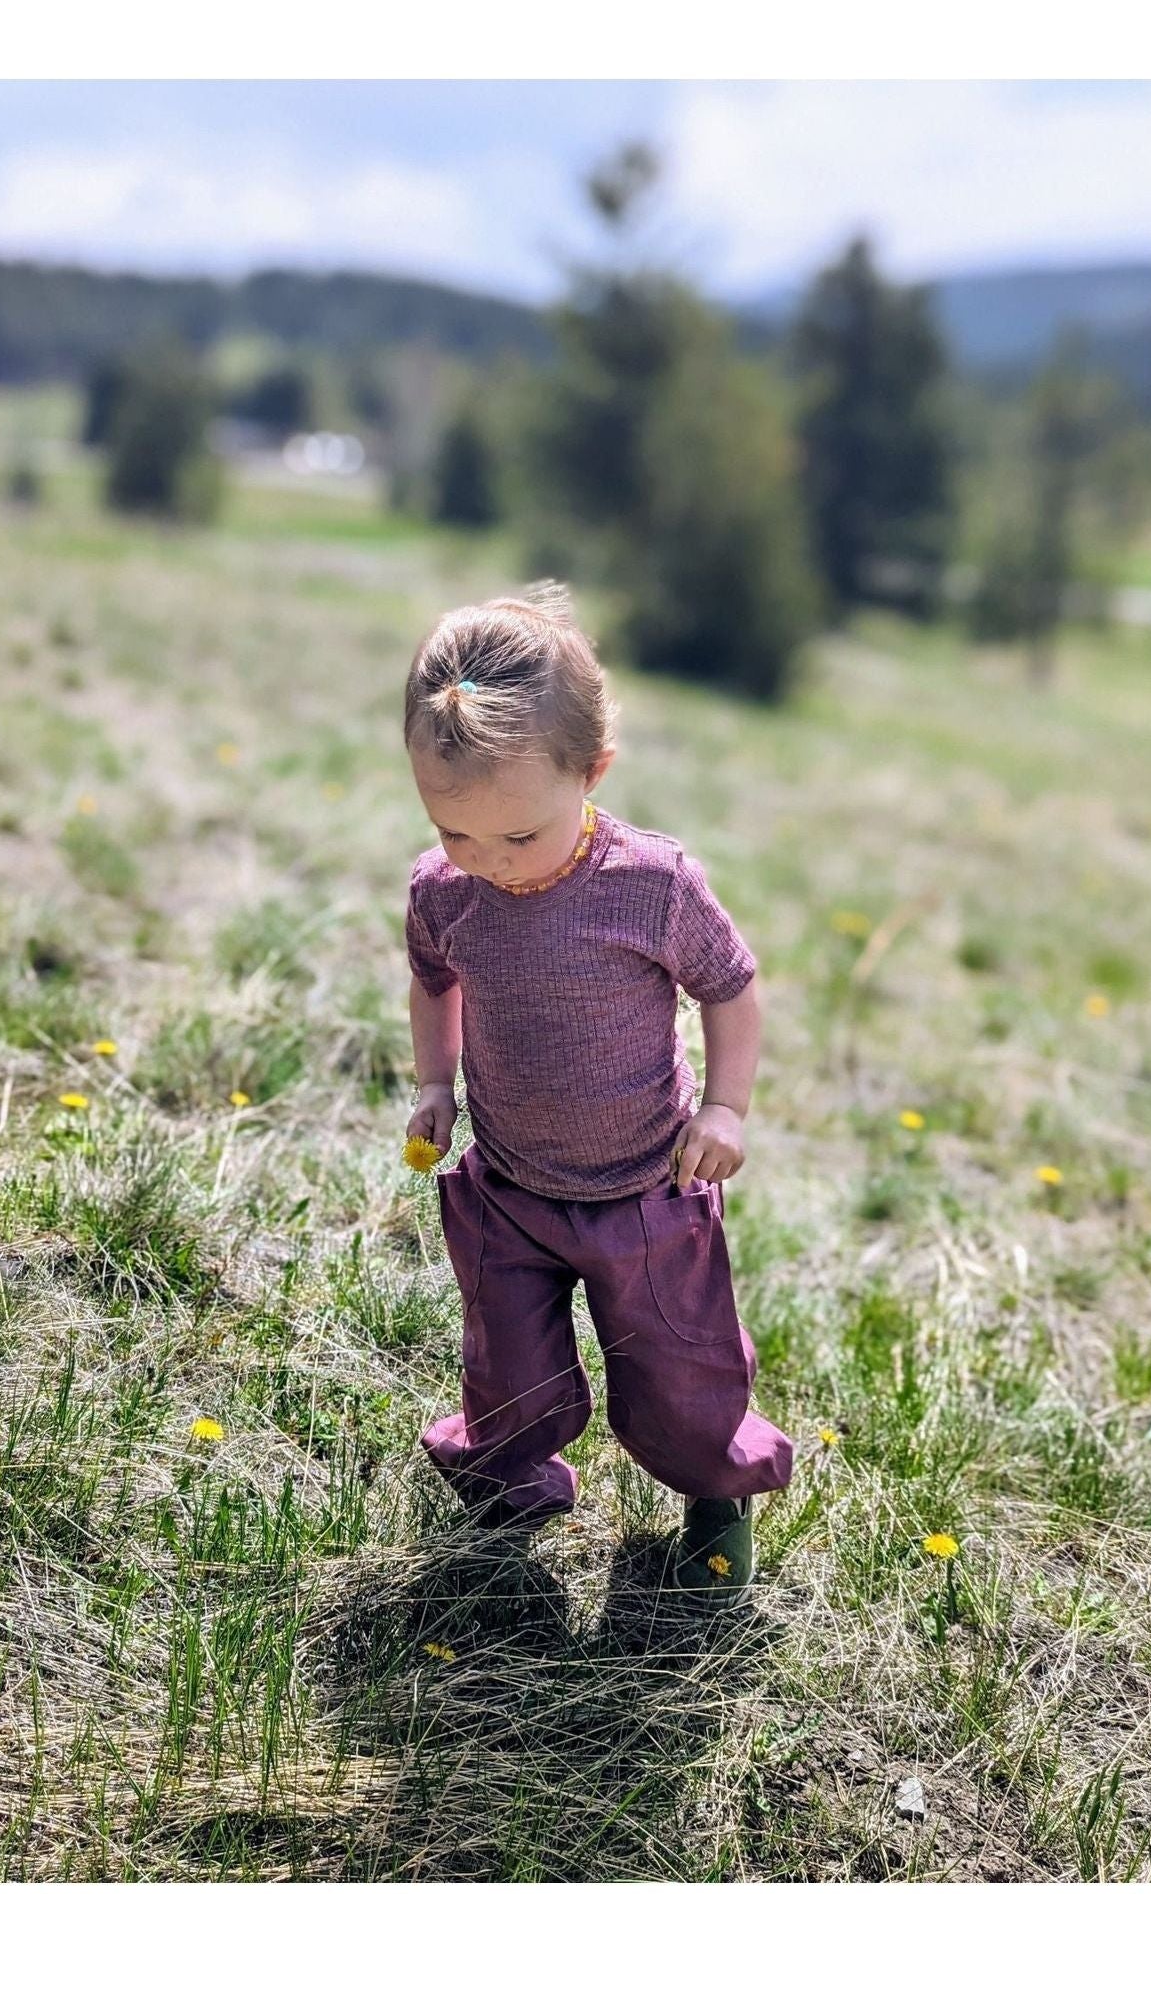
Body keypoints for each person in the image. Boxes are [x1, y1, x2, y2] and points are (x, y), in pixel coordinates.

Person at [401, 580, 793, 1605]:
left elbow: (733, 986)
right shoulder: (445, 895)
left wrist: (726, 1108)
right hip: (511, 1190)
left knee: (681, 1373)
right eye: (454, 833)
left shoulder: (651, 886)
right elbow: (432, 978)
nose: (489, 864)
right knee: (509, 1371)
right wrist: (435, 1084)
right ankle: (512, 1477)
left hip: (647, 1190)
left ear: (594, 770)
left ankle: (715, 1500)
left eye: (518, 838)